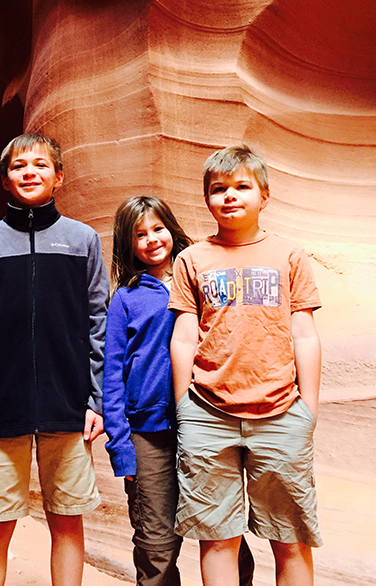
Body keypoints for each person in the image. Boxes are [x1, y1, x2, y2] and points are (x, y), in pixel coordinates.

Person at [0, 132, 109, 586]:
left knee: (67, 519)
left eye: (41, 165)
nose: (29, 173)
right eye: (19, 167)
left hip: (69, 405)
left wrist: (96, 400)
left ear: (58, 177)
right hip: (2, 408)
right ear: (5, 181)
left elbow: (98, 322)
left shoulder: (82, 240)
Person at [169, 145, 323, 586]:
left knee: (290, 538)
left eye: (242, 186)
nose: (230, 196)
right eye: (219, 189)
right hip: (207, 412)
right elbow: (184, 336)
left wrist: (307, 410)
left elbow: (305, 333)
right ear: (207, 198)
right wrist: (184, 406)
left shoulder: (289, 254)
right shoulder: (192, 259)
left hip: (281, 412)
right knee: (217, 537)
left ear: (265, 195)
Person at [103, 195, 255, 586]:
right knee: (156, 548)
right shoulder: (126, 298)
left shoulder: (204, 278)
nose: (152, 239)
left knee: (225, 536)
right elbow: (113, 374)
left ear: (172, 229)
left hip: (207, 427)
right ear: (128, 244)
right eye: (140, 234)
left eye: (158, 228)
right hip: (149, 435)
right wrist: (121, 447)